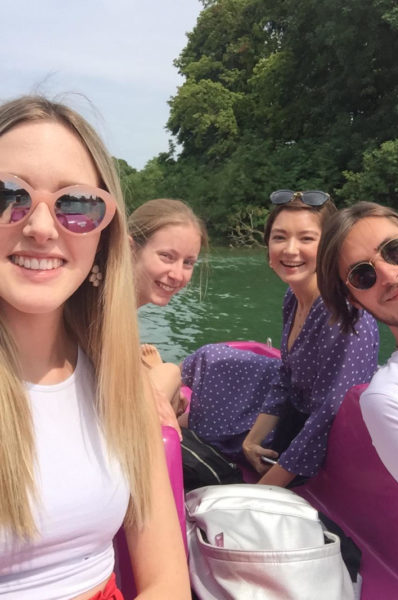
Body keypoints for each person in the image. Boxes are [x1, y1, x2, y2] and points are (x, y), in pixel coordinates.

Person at [0, 96, 190, 599]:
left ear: (105, 235)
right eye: (6, 195)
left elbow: (166, 583)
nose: (41, 227)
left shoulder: (116, 377)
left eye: (76, 204)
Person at [182, 190, 379, 488]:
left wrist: (263, 493)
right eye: (279, 237)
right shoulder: (294, 297)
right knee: (211, 360)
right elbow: (286, 375)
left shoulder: (345, 316)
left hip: (324, 448)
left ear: (330, 247)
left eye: (306, 239)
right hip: (293, 420)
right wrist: (252, 441)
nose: (290, 250)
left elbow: (328, 419)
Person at [317, 201, 398, 532]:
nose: (390, 275)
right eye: (363, 275)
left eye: (395, 250)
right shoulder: (394, 398)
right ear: (353, 299)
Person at [128, 198, 208, 433]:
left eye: (188, 262)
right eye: (167, 256)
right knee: (170, 371)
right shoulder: (104, 309)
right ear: (130, 248)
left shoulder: (119, 308)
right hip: (118, 430)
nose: (177, 274)